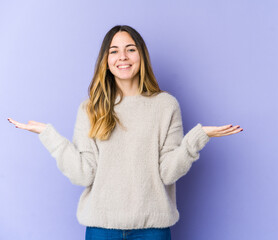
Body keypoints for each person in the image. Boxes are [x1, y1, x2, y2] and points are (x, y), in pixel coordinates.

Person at [7, 25, 243, 240]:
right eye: (114, 51)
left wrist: (197, 138)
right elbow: (83, 175)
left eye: (130, 49)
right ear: (105, 60)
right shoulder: (91, 108)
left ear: (141, 56)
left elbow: (168, 172)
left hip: (153, 230)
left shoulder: (166, 105)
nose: (122, 57)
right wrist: (49, 136)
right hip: (101, 230)